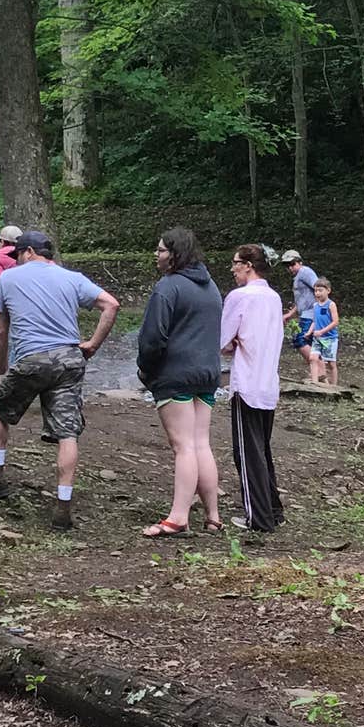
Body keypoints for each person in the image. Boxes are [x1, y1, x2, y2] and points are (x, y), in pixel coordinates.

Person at [0, 231, 120, 531]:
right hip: (69, 360)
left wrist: (4, 371)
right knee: (67, 433)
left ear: (29, 251)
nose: (15, 260)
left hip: (31, 360)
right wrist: (93, 345)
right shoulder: (72, 278)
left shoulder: (8, 279)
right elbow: (111, 304)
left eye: (17, 254)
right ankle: (62, 507)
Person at [133, 225, 225, 537]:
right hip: (208, 374)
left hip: (176, 376)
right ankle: (213, 515)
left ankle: (178, 517)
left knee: (183, 445)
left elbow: (152, 338)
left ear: (175, 255)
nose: (156, 255)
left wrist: (146, 370)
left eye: (160, 250)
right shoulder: (211, 286)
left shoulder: (168, 287)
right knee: (201, 442)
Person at [220, 243, 286, 534]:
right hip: (268, 382)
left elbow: (223, 342)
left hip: (246, 383)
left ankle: (257, 517)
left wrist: (232, 343)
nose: (232, 269)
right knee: (262, 448)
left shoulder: (239, 297)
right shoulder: (273, 298)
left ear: (248, 265)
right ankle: (272, 508)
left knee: (246, 452)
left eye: (235, 263)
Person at [302, 276, 341, 388]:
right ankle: (315, 384)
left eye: (320, 290)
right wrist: (309, 332)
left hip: (330, 338)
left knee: (331, 363)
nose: (317, 293)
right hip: (317, 338)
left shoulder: (331, 305)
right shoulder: (315, 305)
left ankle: (334, 386)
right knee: (313, 358)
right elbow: (315, 321)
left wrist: (322, 331)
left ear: (328, 290)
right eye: (315, 290)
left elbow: (335, 322)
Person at [283, 248, 319, 367]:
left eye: (293, 264)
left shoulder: (305, 272)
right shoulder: (298, 277)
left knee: (300, 340)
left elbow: (319, 289)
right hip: (305, 314)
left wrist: (321, 311)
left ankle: (319, 369)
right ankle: (317, 373)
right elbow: (301, 301)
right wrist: (289, 314)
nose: (290, 268)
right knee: (309, 343)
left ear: (300, 262)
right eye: (287, 265)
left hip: (311, 314)